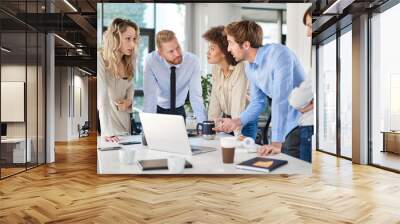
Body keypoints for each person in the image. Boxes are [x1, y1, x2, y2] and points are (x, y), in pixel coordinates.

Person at [215, 20, 306, 159]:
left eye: (231, 43)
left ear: (246, 45)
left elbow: (281, 99)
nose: (228, 49)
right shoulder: (250, 67)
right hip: (286, 128)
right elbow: (258, 102)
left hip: (301, 123)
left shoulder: (279, 55)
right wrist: (236, 122)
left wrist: (276, 142)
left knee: (293, 174)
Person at [202, 26, 258, 140]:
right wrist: (211, 128)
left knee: (241, 154)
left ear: (224, 51)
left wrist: (238, 135)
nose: (207, 53)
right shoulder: (216, 69)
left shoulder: (241, 67)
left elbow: (238, 103)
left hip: (244, 122)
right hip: (227, 120)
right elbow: (215, 100)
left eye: (212, 49)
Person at [143, 30, 206, 123]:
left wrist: (203, 124)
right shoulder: (151, 61)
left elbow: (196, 96)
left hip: (179, 109)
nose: (177, 54)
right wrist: (146, 129)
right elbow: (150, 98)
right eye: (171, 51)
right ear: (160, 53)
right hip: (158, 109)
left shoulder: (192, 62)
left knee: (179, 137)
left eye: (178, 48)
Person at [97, 18, 139, 142]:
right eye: (128, 39)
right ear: (115, 38)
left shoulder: (130, 60)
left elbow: (131, 86)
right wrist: (107, 132)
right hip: (109, 129)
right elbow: (102, 96)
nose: (133, 44)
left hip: (125, 124)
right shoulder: (101, 58)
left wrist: (129, 101)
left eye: (134, 39)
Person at [288, 7, 314, 162]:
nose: (307, 33)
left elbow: (295, 101)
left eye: (310, 26)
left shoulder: (321, 57)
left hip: (308, 126)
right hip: (303, 124)